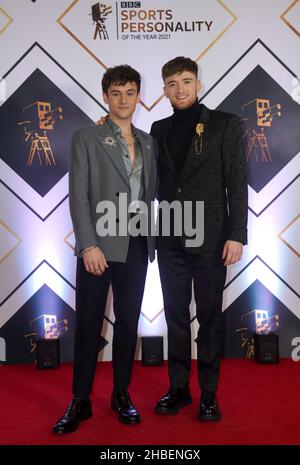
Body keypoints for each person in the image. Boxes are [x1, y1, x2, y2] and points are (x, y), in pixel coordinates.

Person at [52, 65, 157, 433]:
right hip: (97, 247)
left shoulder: (148, 141)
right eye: (116, 92)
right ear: (105, 97)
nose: (124, 99)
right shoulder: (86, 137)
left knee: (128, 325)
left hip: (137, 245)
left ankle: (121, 393)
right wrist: (88, 244)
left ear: (139, 96)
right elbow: (78, 195)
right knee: (87, 326)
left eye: (130, 92)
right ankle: (79, 400)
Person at [150, 56, 248, 421]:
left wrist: (237, 235)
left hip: (211, 238)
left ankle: (208, 393)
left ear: (198, 84)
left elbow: (236, 183)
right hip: (170, 237)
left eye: (187, 81)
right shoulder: (157, 129)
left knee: (208, 317)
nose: (180, 89)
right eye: (173, 83)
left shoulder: (224, 124)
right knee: (175, 316)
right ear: (164, 90)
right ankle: (178, 389)